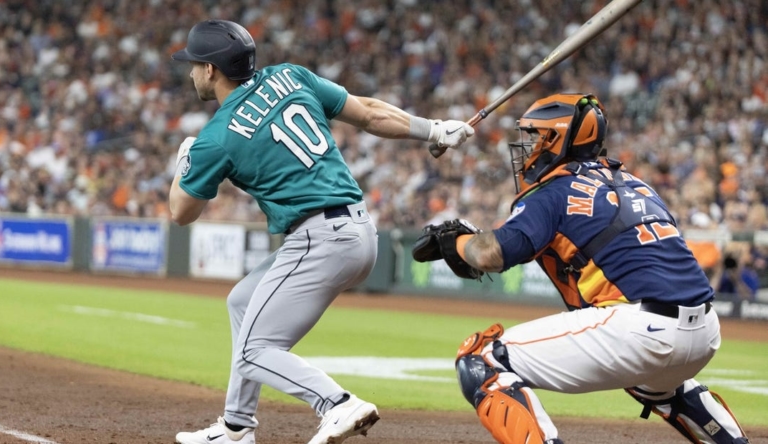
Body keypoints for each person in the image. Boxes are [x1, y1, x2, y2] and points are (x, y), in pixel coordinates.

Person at [168, 19, 474, 444]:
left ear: (211, 71)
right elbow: (367, 113)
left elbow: (181, 212)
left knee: (254, 351)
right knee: (242, 301)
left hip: (318, 239)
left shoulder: (215, 137)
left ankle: (337, 404)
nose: (190, 72)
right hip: (359, 230)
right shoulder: (289, 76)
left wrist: (183, 163)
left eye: (194, 64)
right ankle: (236, 428)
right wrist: (434, 128)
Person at [413, 93, 750, 444]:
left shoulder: (554, 191)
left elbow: (491, 254)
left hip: (640, 329)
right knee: (657, 386)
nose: (527, 147)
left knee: (480, 359)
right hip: (705, 331)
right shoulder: (638, 185)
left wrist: (455, 242)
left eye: (534, 137)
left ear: (556, 140)